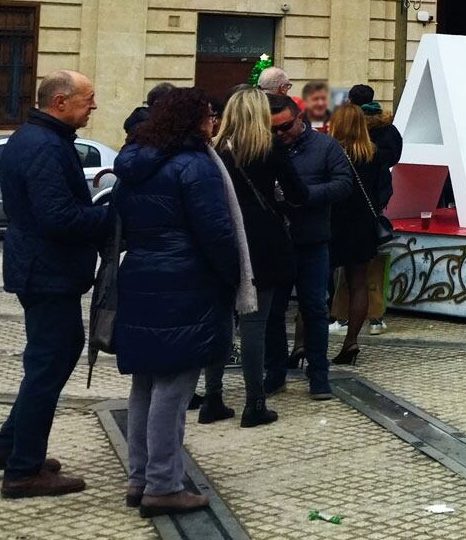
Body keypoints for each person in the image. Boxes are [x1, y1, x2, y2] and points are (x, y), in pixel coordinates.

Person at [112, 88, 252, 514]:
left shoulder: (135, 162)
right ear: (193, 120)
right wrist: (233, 276)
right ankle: (163, 485)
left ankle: (140, 478)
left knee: (145, 385)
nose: (214, 121)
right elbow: (216, 231)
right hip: (186, 283)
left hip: (139, 277)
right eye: (211, 114)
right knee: (174, 390)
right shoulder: (195, 165)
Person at [0, 70, 110, 498]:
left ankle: (7, 447)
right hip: (45, 270)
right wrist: (112, 216)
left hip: (43, 268)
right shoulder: (43, 145)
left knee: (51, 357)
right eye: (88, 99)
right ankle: (23, 470)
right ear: (60, 102)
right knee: (47, 364)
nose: (93, 106)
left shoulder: (41, 139)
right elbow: (59, 218)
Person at [206, 86, 307, 429]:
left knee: (220, 319)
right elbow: (299, 194)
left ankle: (214, 397)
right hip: (262, 241)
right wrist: (276, 201)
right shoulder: (270, 148)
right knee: (255, 324)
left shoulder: (214, 150)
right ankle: (254, 403)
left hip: (222, 238)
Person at [263, 96, 352, 399]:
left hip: (312, 241)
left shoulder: (326, 147)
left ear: (300, 118)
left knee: (314, 308)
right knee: (273, 311)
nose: (280, 134)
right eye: (272, 129)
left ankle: (318, 374)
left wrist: (301, 195)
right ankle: (274, 373)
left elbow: (344, 185)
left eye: (285, 127)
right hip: (275, 243)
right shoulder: (266, 148)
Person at [328, 103, 394, 365]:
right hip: (363, 225)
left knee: (316, 284)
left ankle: (302, 345)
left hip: (332, 223)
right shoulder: (374, 155)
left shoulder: (330, 153)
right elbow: (384, 190)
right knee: (358, 284)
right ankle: (351, 341)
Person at [347, 84, 402, 333]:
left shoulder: (349, 129)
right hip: (377, 197)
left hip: (352, 201)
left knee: (348, 267)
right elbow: (394, 156)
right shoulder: (387, 128)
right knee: (370, 262)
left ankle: (342, 316)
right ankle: (376, 316)